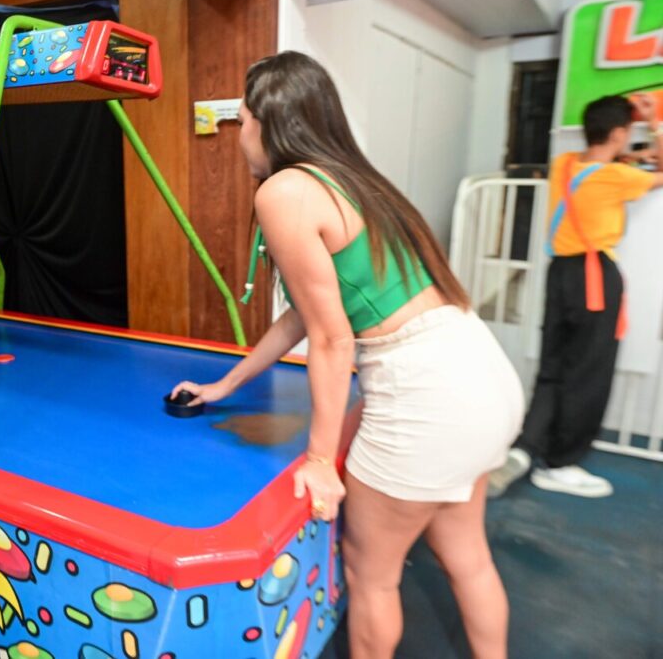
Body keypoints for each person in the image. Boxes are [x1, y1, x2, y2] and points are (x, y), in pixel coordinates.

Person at [170, 51, 522, 659]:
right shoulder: (356, 180)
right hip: (482, 374)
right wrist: (226, 385)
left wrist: (319, 460)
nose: (239, 133)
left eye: (243, 119)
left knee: (371, 575)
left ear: (268, 122)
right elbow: (303, 316)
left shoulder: (284, 190)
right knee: (467, 556)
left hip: (427, 396)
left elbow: (332, 340)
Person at [488, 94, 663, 499]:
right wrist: (655, 124)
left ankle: (527, 447)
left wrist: (634, 153)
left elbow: (618, 160)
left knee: (553, 366)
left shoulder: (565, 164)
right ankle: (561, 464)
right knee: (588, 373)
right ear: (618, 134)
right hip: (595, 278)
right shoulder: (618, 178)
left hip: (560, 275)